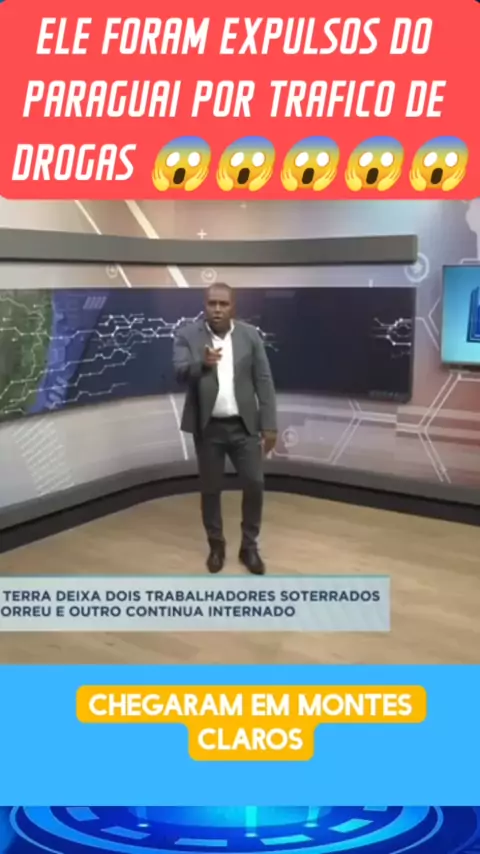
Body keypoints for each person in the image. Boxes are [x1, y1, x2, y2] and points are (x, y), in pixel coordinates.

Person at [173, 283, 277, 575]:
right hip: (208, 428)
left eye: (223, 304)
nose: (217, 309)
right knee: (210, 489)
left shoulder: (250, 335)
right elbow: (179, 372)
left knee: (254, 483)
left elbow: (264, 381)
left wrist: (269, 424)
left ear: (233, 306)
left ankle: (249, 546)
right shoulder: (187, 335)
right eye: (212, 303)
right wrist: (202, 364)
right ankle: (216, 545)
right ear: (204, 305)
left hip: (244, 427)